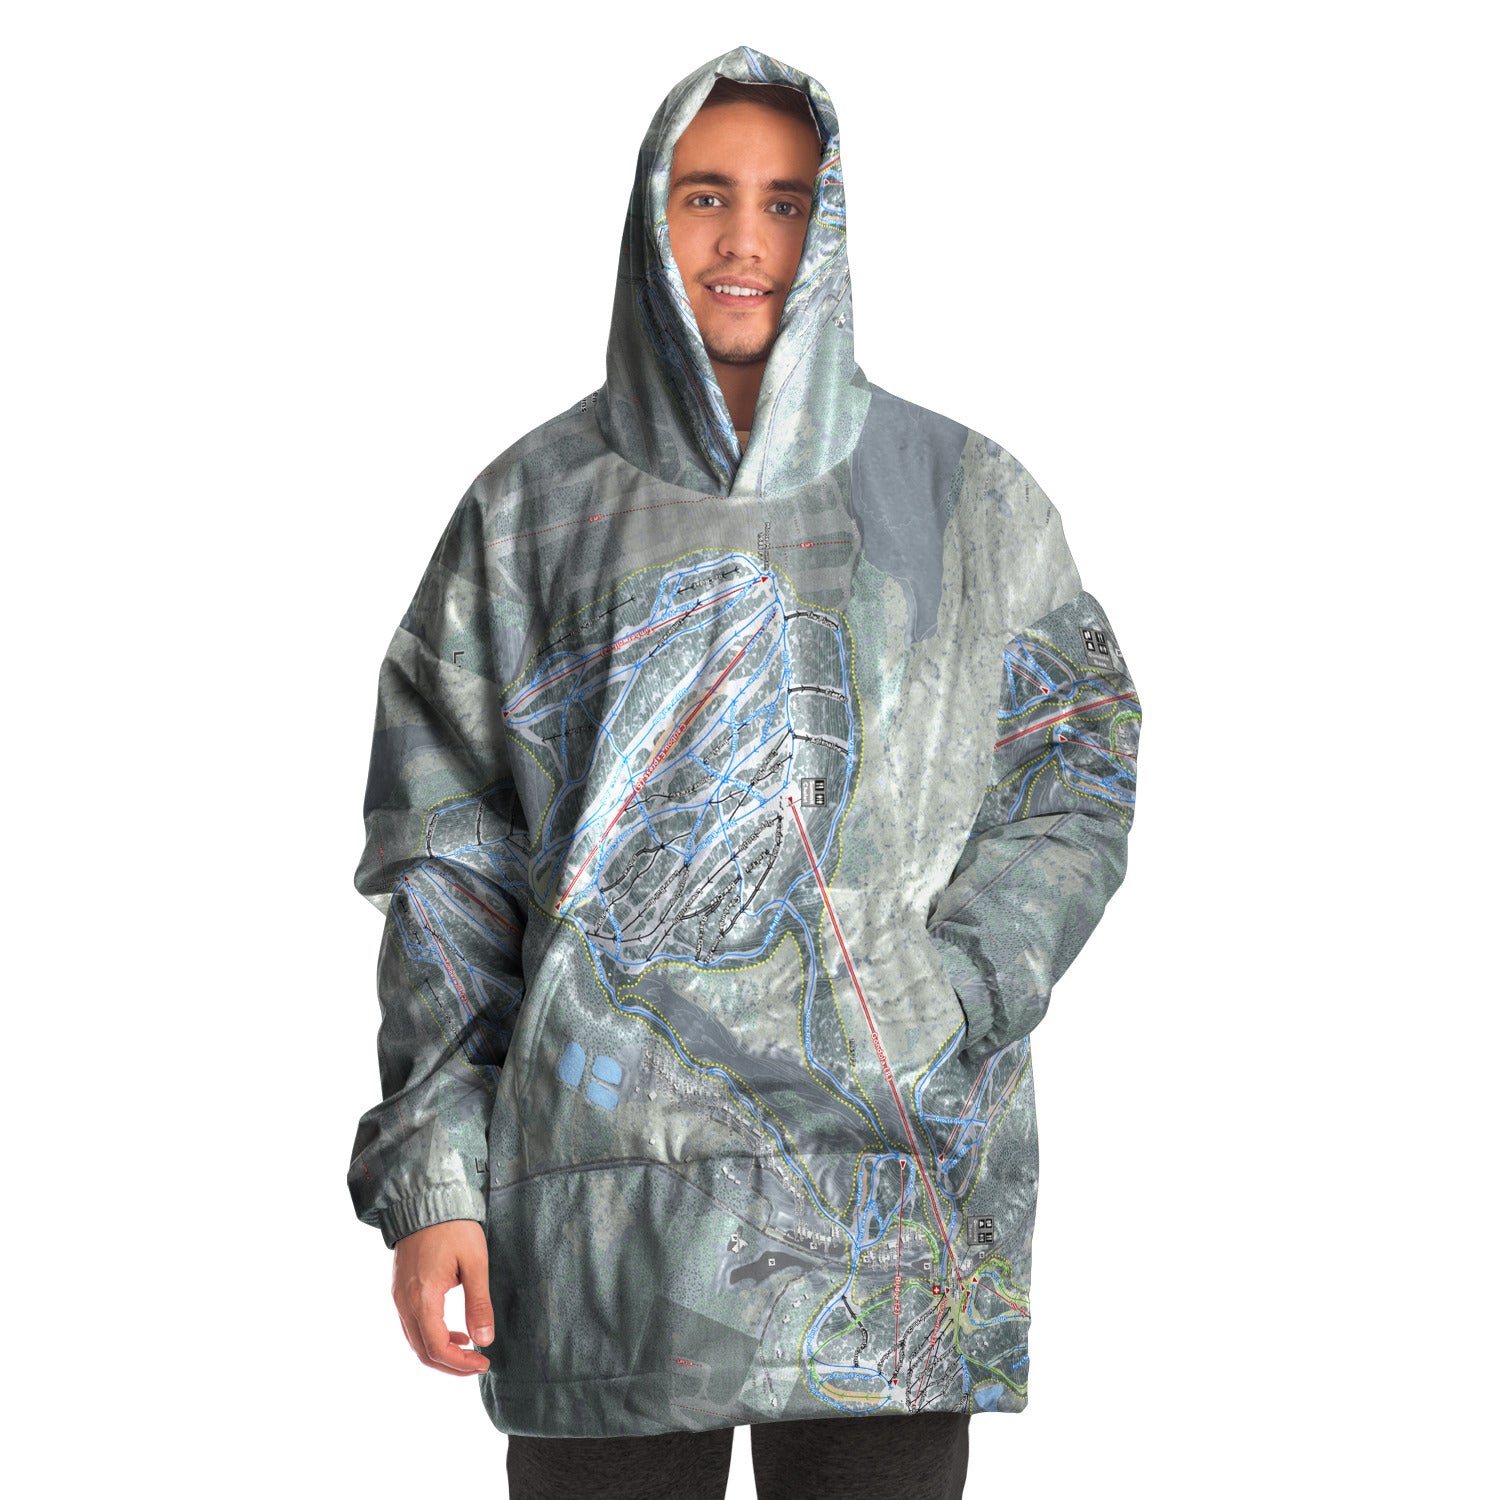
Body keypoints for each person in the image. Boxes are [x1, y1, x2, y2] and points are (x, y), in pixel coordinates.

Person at [347, 44, 1142, 1500]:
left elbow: (1074, 770)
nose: (743, 241)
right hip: (594, 1211)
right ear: (651, 216)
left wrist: (958, 989)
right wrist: (435, 1179)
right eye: (707, 195)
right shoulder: (528, 511)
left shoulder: (967, 497)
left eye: (786, 203)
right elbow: (447, 868)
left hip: (886, 1207)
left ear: (829, 231)